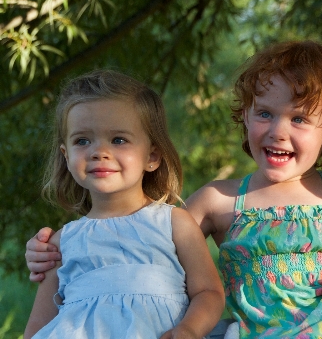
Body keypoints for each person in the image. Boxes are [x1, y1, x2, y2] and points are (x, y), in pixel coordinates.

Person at [26, 41, 322, 338]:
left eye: (299, 118)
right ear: (246, 117)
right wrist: (50, 250)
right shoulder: (219, 200)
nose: (277, 131)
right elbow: (141, 241)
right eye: (264, 113)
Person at [24, 70, 224, 339]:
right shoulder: (60, 243)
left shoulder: (173, 223)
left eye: (119, 140)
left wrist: (188, 330)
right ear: (66, 155)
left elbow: (208, 292)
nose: (99, 152)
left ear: (152, 156)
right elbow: (37, 329)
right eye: (82, 141)